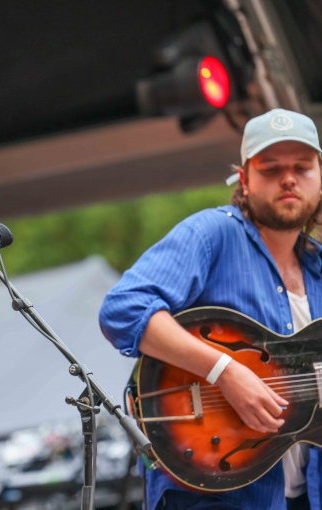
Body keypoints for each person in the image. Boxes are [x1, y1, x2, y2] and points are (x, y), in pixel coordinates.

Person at [99, 108, 322, 510]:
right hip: (215, 496)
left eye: (302, 168)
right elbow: (123, 309)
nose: (289, 179)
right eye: (271, 168)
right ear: (245, 180)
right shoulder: (211, 235)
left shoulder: (319, 268)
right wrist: (225, 371)